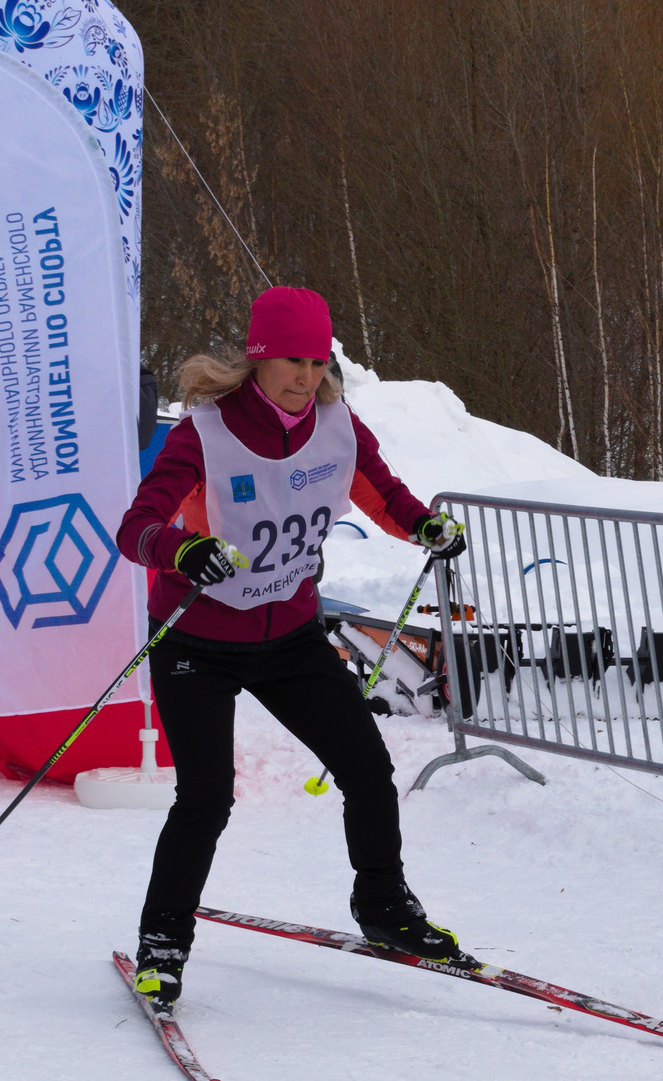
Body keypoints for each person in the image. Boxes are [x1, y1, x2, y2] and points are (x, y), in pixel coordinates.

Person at [114, 286, 467, 1011]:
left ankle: (384, 910)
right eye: (290, 362)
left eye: (316, 362)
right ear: (259, 357)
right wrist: (185, 550)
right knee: (207, 798)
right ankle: (161, 943)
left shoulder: (337, 424)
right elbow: (137, 527)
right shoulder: (204, 432)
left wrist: (423, 526)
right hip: (198, 642)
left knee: (368, 769)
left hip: (290, 636)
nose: (306, 378)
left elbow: (383, 492)